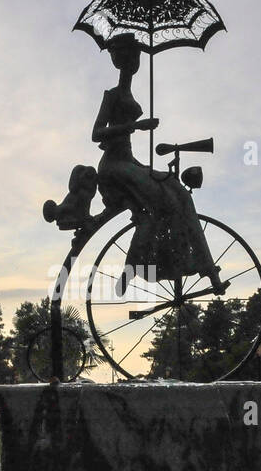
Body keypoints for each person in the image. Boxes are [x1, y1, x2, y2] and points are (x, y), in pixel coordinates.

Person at [90, 33, 225, 295]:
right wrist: (136, 126)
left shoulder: (129, 93)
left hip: (129, 162)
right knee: (159, 205)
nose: (136, 62)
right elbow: (96, 133)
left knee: (178, 192)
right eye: (133, 56)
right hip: (114, 167)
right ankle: (140, 265)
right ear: (122, 59)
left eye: (138, 56)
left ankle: (201, 263)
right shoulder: (114, 94)